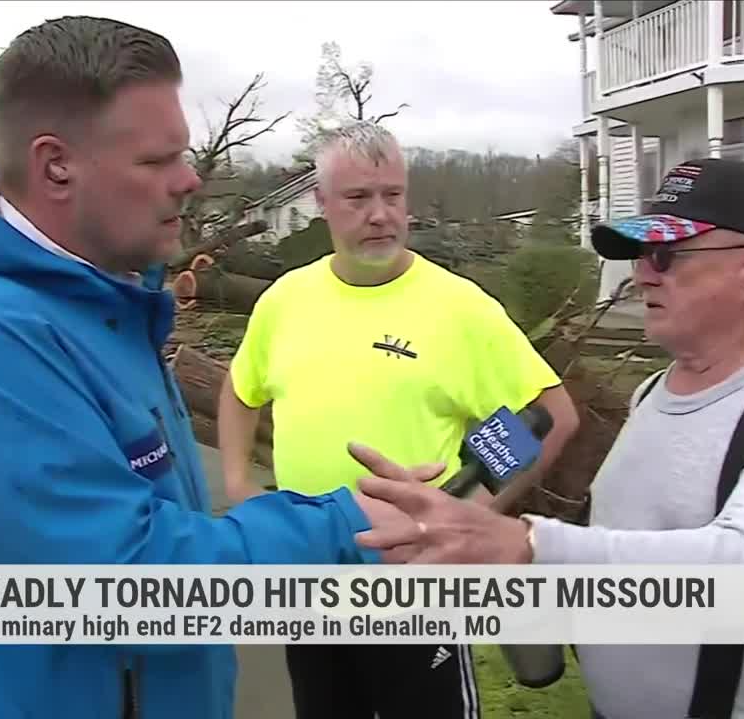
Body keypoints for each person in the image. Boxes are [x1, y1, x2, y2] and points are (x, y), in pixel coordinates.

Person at [0, 16, 425, 719]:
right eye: (157, 161)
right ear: (55, 165)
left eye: (184, 155)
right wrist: (344, 527)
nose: (189, 180)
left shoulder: (98, 304)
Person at [352, 158, 744, 719]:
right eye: (640, 256)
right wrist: (463, 533)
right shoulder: (651, 393)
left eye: (666, 255)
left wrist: (529, 545)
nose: (643, 274)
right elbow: (622, 552)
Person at [217, 121, 580, 719]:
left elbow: (547, 414)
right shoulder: (285, 299)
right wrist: (237, 485)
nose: (380, 214)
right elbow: (239, 387)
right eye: (359, 198)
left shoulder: (460, 308)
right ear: (322, 204)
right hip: (310, 578)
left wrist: (467, 512)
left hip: (415, 585)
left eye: (393, 195)